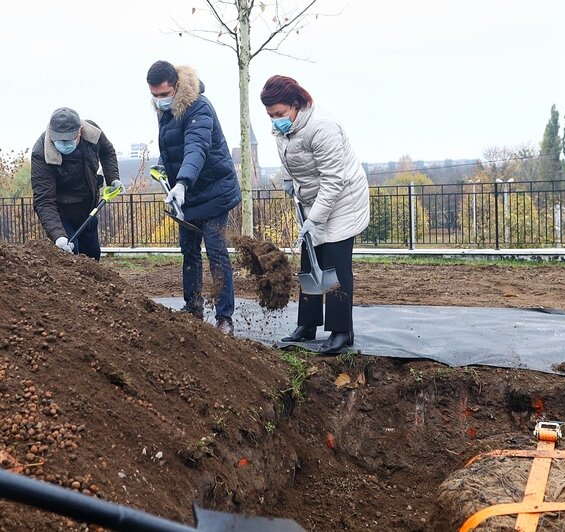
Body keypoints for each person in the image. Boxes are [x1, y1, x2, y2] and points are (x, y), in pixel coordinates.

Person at [260, 75, 370, 354]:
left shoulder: (323, 127)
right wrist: (287, 179)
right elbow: (287, 154)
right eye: (271, 115)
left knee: (334, 265)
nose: (275, 120)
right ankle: (307, 326)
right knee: (310, 264)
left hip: (344, 200)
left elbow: (334, 180)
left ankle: (341, 331)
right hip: (313, 199)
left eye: (280, 114)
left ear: (296, 105)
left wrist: (314, 219)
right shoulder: (283, 128)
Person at [146, 60, 241, 336]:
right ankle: (193, 309)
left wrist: (183, 182)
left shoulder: (199, 107)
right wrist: (164, 167)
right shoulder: (165, 113)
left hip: (213, 191)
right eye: (154, 95)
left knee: (215, 251)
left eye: (164, 94)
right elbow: (171, 146)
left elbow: (196, 148)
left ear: (176, 86)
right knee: (189, 251)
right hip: (187, 197)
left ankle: (225, 318)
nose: (160, 100)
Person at [31, 107, 123, 261]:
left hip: (89, 208)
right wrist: (58, 236)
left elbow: (107, 152)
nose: (63, 144)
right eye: (59, 141)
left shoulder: (93, 133)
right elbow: (44, 200)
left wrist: (113, 178)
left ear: (80, 131)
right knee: (72, 257)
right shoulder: (41, 153)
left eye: (68, 140)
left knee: (93, 255)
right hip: (62, 213)